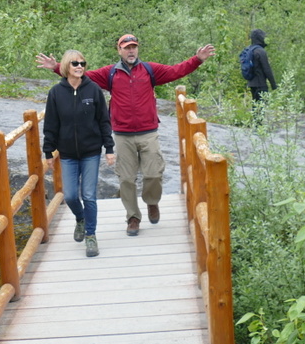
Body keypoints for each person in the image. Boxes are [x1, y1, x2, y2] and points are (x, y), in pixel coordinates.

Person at [36, 35, 214, 236]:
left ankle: (152, 202)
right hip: (122, 134)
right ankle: (133, 217)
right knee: (126, 179)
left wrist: (197, 59)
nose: (131, 51)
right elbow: (80, 73)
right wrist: (56, 66)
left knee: (154, 173)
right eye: (127, 48)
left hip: (149, 132)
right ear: (119, 50)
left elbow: (176, 71)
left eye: (134, 47)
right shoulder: (110, 73)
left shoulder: (149, 70)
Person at [41, 49, 115, 258]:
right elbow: (51, 124)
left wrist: (109, 149)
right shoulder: (56, 93)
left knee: (89, 195)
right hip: (68, 154)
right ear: (66, 66)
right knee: (71, 195)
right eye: (75, 63)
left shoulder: (93, 90)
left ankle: (91, 235)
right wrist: (48, 151)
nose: (80, 66)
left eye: (82, 63)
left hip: (91, 151)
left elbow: (104, 121)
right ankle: (80, 219)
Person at [244, 28, 277, 103]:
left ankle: (255, 115)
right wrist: (273, 85)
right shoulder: (261, 51)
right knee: (261, 107)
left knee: (255, 107)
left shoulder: (249, 50)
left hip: (251, 83)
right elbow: (267, 69)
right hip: (261, 84)